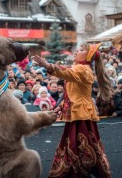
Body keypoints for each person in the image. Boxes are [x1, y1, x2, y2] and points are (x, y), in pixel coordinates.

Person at [34, 43, 112, 178]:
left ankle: (80, 171)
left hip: (81, 115)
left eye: (81, 50)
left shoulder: (83, 69)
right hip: (77, 113)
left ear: (88, 56)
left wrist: (48, 66)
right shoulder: (79, 68)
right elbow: (72, 94)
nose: (77, 51)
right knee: (79, 145)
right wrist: (60, 106)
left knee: (79, 145)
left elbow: (66, 73)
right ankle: (81, 170)